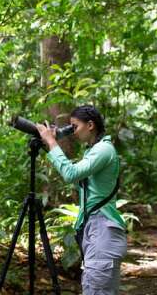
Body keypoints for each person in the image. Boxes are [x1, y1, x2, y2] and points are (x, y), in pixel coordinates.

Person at [36, 105, 127, 295]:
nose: (72, 132)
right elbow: (78, 180)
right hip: (97, 230)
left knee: (95, 290)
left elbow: (70, 173)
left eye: (75, 126)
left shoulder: (103, 149)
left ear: (91, 125)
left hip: (102, 229)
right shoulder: (94, 150)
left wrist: (53, 143)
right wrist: (50, 143)